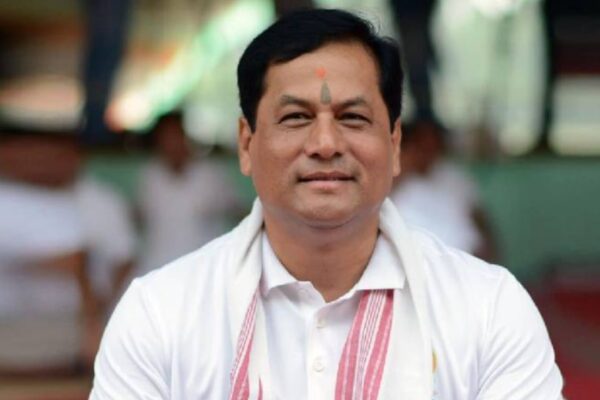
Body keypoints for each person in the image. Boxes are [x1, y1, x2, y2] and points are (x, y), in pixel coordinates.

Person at [90, 9, 563, 399]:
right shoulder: (160, 314)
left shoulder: (487, 308)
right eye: (296, 117)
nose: (325, 144)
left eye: (353, 117)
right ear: (246, 144)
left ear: (394, 144)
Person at [136, 112, 243, 274]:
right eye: (165, 138)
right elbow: (141, 217)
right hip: (160, 267)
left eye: (175, 136)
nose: (171, 143)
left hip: (204, 269)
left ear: (184, 136)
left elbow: (236, 211)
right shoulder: (150, 176)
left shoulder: (211, 174)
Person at [390, 119, 495, 260]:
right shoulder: (396, 179)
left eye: (432, 142)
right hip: (417, 261)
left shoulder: (454, 177)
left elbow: (480, 219)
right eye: (420, 143)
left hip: (464, 257)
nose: (427, 149)